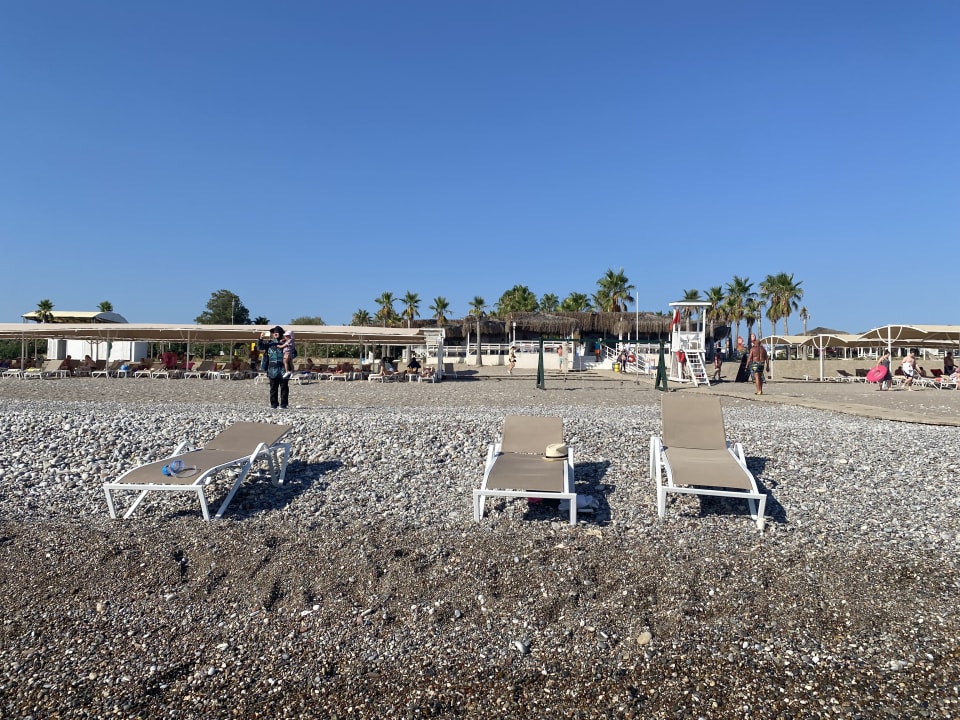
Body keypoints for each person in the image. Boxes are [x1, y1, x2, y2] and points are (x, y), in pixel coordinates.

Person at [257, 326, 290, 409]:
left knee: (284, 387)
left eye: (277, 332)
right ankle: (274, 404)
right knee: (273, 388)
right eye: (274, 332)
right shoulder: (269, 343)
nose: (275, 333)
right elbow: (260, 347)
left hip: (283, 368)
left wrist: (289, 355)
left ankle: (284, 404)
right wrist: (261, 338)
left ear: (281, 333)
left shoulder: (286, 343)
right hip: (272, 369)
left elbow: (294, 353)